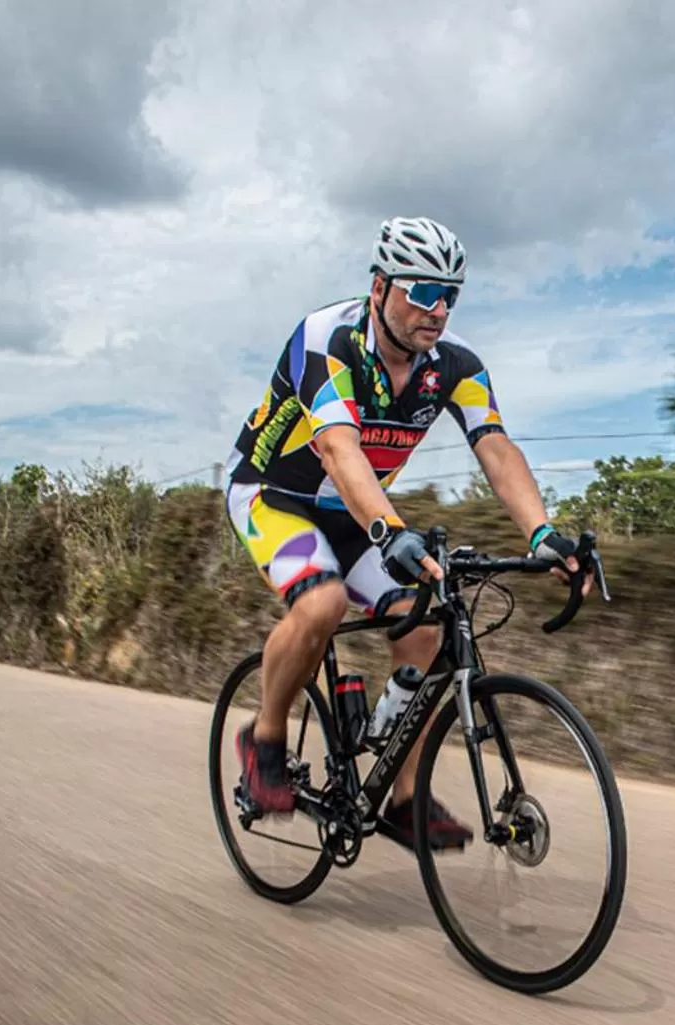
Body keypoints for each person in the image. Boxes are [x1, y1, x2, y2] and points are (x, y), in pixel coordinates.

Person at [221, 215, 586, 852]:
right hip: (273, 493)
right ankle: (266, 740)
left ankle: (405, 795)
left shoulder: (456, 365)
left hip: (354, 510)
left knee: (428, 622)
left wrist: (543, 534)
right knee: (323, 603)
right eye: (422, 292)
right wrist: (391, 528)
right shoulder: (327, 339)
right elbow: (337, 449)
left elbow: (496, 448)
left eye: (451, 295)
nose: (438, 310)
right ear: (381, 286)